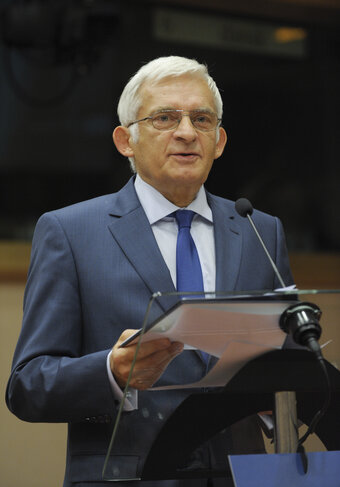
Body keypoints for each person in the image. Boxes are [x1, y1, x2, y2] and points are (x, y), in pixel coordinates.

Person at [6, 56, 294, 487]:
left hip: (242, 476)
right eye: (165, 117)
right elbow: (27, 387)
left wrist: (279, 393)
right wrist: (112, 372)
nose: (186, 132)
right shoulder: (70, 231)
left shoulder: (259, 229)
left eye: (202, 119)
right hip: (130, 476)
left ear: (219, 141)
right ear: (126, 140)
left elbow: (288, 359)